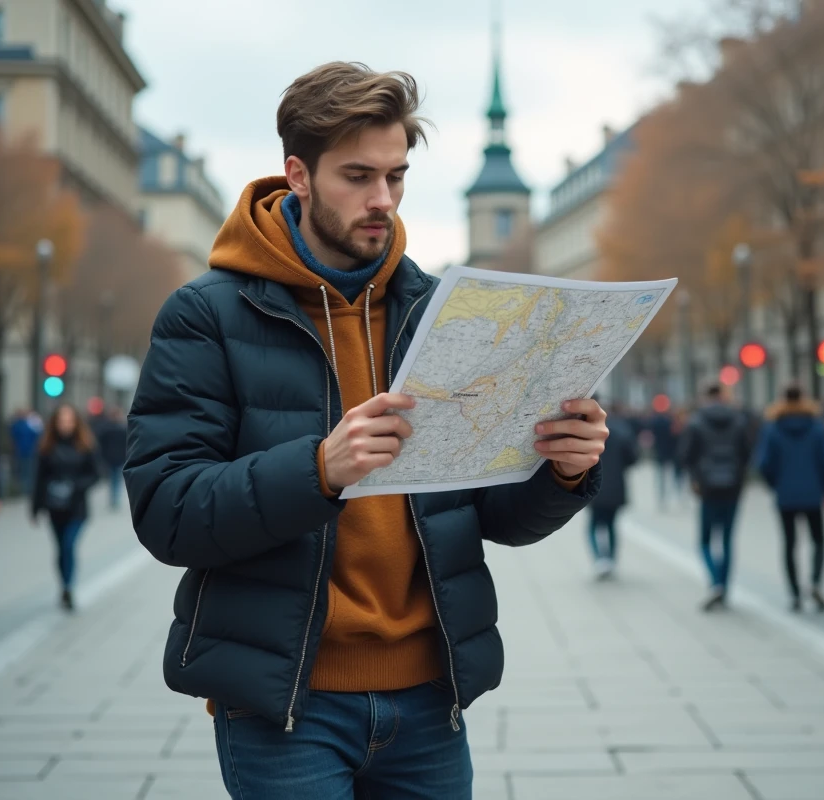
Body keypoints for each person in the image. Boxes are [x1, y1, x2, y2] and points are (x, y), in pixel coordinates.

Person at [122, 63, 605, 799]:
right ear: (299, 175)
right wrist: (318, 470)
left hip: (428, 701)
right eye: (357, 175)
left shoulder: (446, 313)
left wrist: (561, 471)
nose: (382, 200)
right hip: (287, 707)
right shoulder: (206, 315)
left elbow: (492, 518)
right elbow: (167, 512)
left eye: (397, 176)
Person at [757, 385, 824, 612]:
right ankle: (815, 582)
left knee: (790, 544)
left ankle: (794, 592)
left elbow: (764, 463)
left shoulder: (773, 428)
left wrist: (775, 484)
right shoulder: (817, 427)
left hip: (786, 494)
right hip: (813, 493)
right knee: (819, 540)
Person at [679, 383, 752, 610]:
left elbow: (686, 455)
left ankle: (715, 582)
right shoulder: (738, 420)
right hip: (733, 486)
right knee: (727, 540)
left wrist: (694, 478)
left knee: (705, 540)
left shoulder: (696, 422)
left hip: (707, 487)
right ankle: (724, 585)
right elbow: (746, 454)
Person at [32, 404, 101, 611]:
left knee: (69, 546)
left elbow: (96, 473)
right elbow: (39, 478)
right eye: (61, 421)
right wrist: (35, 507)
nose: (65, 425)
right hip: (55, 507)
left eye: (69, 421)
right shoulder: (47, 446)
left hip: (77, 507)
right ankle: (63, 584)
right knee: (61, 549)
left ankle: (69, 587)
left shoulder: (85, 445)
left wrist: (76, 487)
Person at [587, 406, 639, 579]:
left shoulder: (589, 432)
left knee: (594, 525)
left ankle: (599, 559)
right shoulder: (621, 431)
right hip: (616, 486)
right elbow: (633, 458)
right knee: (611, 525)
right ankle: (610, 559)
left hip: (594, 486)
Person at [95, 407, 127, 510]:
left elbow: (100, 444)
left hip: (110, 458)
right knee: (116, 479)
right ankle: (115, 499)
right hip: (120, 457)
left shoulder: (105, 429)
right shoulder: (123, 429)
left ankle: (113, 498)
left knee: (113, 478)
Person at [9, 408, 43, 496]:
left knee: (28, 471)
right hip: (20, 452)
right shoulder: (19, 425)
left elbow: (37, 435)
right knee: (22, 472)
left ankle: (27, 490)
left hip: (29, 452)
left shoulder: (29, 424)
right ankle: (22, 490)